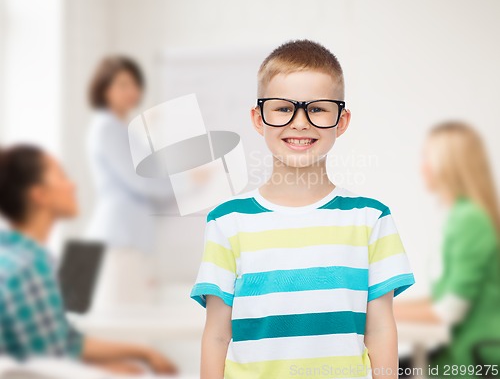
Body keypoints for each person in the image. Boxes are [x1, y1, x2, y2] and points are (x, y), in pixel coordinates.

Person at [189, 39, 416, 379]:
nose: (299, 122)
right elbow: (217, 335)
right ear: (257, 118)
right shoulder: (227, 222)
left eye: (317, 108)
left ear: (341, 120)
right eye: (282, 108)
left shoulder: (371, 219)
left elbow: (381, 330)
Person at [0, 144, 178, 376]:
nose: (72, 184)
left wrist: (140, 352)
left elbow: (64, 341)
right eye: (61, 176)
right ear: (39, 195)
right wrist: (107, 372)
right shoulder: (30, 267)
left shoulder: (17, 253)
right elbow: (48, 364)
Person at [394, 122, 500, 378]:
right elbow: (442, 299)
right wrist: (376, 308)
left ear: (449, 165)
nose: (422, 168)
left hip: (473, 360)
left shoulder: (469, 220)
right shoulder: (459, 216)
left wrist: (374, 313)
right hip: (455, 355)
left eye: (427, 158)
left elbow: (447, 312)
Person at [85, 56, 175, 308]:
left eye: (135, 85)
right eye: (123, 85)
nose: (132, 91)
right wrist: (188, 182)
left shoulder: (123, 128)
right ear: (104, 88)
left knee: (131, 321)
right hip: (118, 240)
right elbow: (142, 180)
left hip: (129, 240)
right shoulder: (106, 127)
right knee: (123, 325)